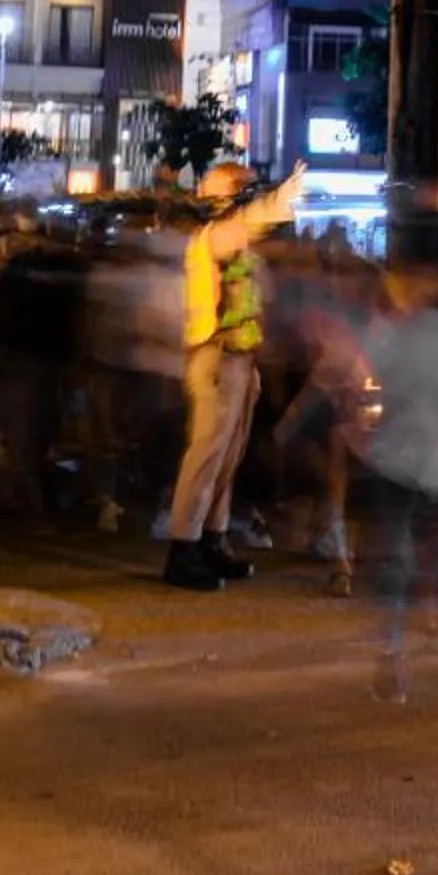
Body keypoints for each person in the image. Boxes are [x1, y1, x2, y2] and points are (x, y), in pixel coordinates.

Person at [162, 162, 306, 592]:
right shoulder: (217, 237)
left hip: (239, 362)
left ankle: (211, 540)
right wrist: (282, 199)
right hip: (218, 360)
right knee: (207, 457)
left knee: (226, 459)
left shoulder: (236, 245)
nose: (247, 195)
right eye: (241, 188)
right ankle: (183, 549)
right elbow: (253, 223)